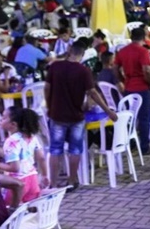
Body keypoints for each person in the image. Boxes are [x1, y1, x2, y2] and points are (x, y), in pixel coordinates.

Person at [45, 42, 117, 189]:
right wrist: (108, 110)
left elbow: (47, 88)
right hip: (76, 115)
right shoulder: (84, 71)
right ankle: (72, 181)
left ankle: (52, 184)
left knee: (55, 150)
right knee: (75, 150)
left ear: (69, 51)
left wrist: (49, 105)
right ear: (82, 55)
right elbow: (93, 93)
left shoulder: (55, 67)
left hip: (57, 114)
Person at [0, 106, 48, 204]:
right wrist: (44, 175)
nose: (1, 119)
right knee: (30, 210)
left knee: (11, 211)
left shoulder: (11, 141)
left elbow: (15, 168)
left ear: (13, 124)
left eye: (4, 117)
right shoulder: (31, 136)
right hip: (33, 179)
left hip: (17, 182)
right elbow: (42, 158)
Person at [115, 25, 150, 154]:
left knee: (130, 117)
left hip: (129, 87)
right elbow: (147, 70)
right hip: (142, 87)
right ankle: (144, 147)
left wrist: (121, 79)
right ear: (143, 38)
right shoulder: (143, 52)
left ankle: (130, 143)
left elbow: (115, 68)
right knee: (144, 118)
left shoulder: (122, 51)